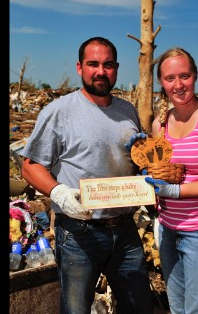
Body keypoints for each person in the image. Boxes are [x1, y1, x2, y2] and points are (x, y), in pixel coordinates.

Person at [20, 37, 154, 314]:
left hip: (126, 229)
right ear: (80, 67)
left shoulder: (127, 111)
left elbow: (134, 163)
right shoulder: (58, 112)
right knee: (76, 308)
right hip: (79, 233)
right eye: (93, 64)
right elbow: (29, 166)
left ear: (116, 68)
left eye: (107, 65)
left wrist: (147, 173)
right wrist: (59, 193)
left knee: (139, 305)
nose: (100, 71)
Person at [133, 47, 198, 313]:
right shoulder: (161, 124)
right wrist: (141, 164)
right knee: (178, 308)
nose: (178, 85)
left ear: (195, 75)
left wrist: (176, 191)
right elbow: (161, 173)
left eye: (185, 76)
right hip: (169, 230)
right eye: (170, 78)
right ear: (161, 82)